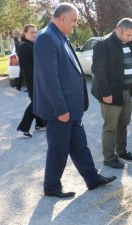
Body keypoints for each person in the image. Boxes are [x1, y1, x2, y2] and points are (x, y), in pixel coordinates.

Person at [33, 3, 116, 198]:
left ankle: (92, 178)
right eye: (74, 20)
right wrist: (60, 108)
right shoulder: (46, 38)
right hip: (60, 108)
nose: (75, 25)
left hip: (72, 107)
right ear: (62, 18)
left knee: (80, 144)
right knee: (58, 148)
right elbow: (49, 79)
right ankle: (51, 186)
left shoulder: (60, 36)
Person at [91, 18, 132, 169]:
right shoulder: (102, 44)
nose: (131, 38)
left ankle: (122, 151)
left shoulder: (128, 43)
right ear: (119, 30)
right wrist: (105, 92)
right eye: (128, 35)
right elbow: (98, 70)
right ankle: (109, 158)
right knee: (110, 127)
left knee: (123, 124)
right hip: (110, 93)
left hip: (126, 92)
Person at [16, 24, 46, 138]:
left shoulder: (32, 44)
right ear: (25, 33)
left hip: (37, 79)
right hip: (32, 79)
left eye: (35, 32)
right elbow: (23, 64)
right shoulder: (24, 46)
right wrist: (38, 71)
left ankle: (40, 124)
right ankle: (22, 128)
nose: (34, 34)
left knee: (37, 101)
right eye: (31, 32)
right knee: (36, 103)